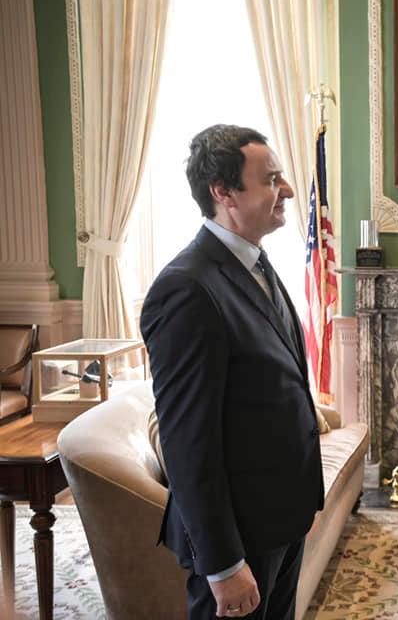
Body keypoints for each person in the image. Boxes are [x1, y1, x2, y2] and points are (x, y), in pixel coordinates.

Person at [141, 125, 324, 619]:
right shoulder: (186, 289)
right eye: (271, 179)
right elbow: (187, 442)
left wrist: (301, 504)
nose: (288, 189)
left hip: (280, 520)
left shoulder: (255, 262)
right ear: (223, 192)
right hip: (238, 539)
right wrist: (222, 564)